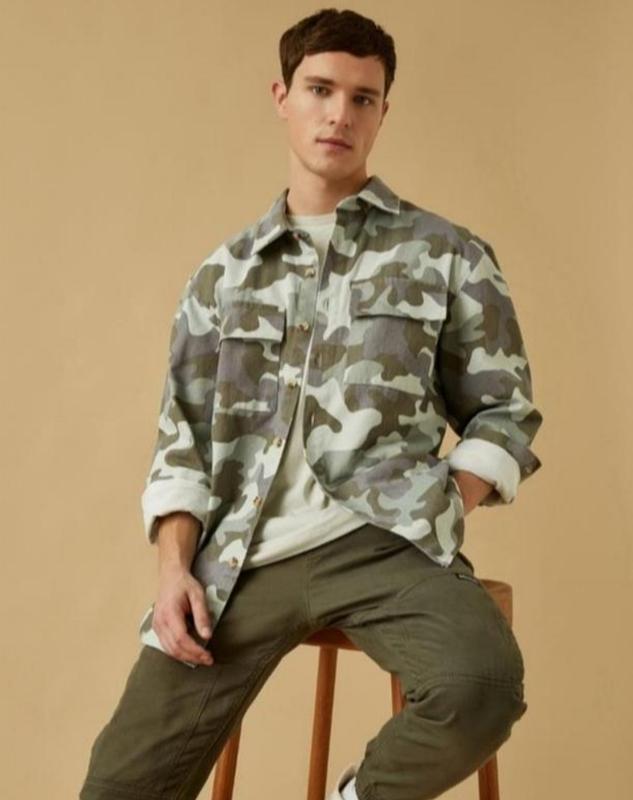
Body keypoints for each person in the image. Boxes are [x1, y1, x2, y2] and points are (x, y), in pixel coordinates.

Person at [79, 8, 543, 800]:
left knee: (482, 688)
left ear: (383, 113)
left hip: (386, 543)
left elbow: (504, 412)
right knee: (118, 788)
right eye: (320, 90)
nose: (339, 114)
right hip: (242, 558)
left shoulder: (447, 254)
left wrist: (443, 500)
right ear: (282, 97)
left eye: (363, 98)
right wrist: (173, 572)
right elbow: (183, 441)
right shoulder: (222, 276)